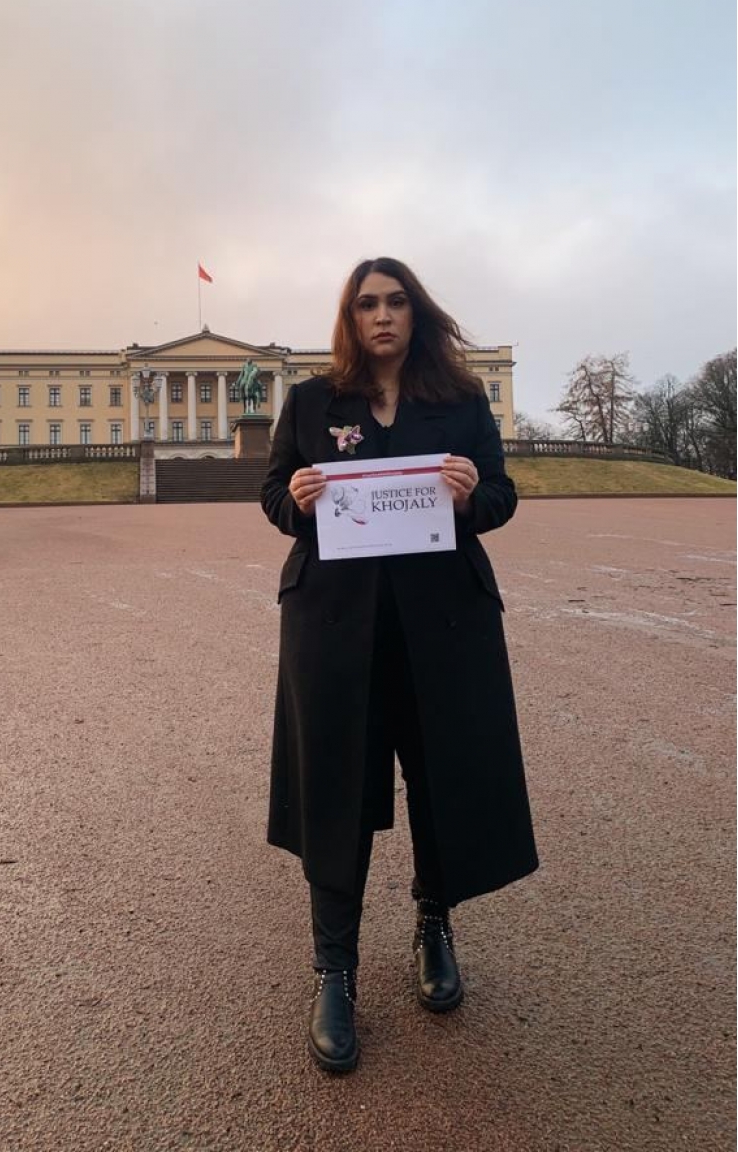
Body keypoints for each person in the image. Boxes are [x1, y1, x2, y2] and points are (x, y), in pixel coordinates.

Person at [260, 257, 538, 1073]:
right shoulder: (313, 401)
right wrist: (296, 501)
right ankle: (334, 970)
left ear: (416, 313)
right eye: (366, 304)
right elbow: (273, 494)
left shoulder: (459, 401)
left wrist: (471, 492)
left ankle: (433, 924)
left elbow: (501, 496)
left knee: (441, 776)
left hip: (441, 624)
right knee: (335, 789)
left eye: (395, 302)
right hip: (335, 626)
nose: (382, 315)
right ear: (349, 318)